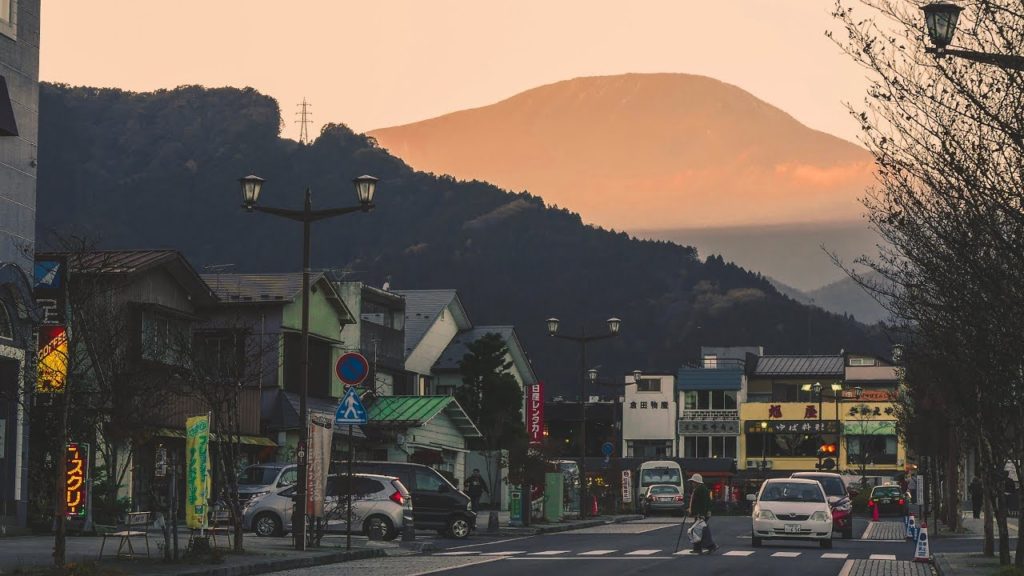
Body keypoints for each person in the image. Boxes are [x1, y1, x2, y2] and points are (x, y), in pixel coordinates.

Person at [687, 473, 718, 554]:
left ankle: (710, 546)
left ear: (696, 482)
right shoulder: (701, 488)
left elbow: (703, 503)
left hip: (701, 514)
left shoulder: (700, 489)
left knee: (700, 531)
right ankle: (698, 548)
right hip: (701, 513)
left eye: (693, 482)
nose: (692, 483)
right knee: (698, 531)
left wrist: (701, 514)